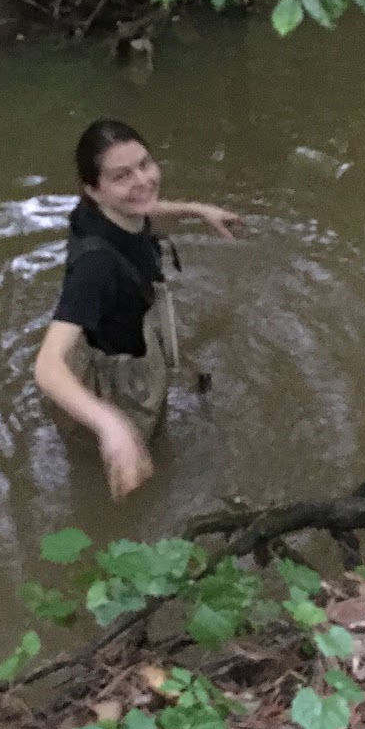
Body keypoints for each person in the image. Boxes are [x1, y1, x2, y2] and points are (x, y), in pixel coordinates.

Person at [34, 120, 240, 499]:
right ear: (93, 189)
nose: (143, 181)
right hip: (114, 380)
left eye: (145, 164)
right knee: (137, 475)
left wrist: (197, 210)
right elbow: (47, 366)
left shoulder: (111, 211)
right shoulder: (96, 266)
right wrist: (112, 427)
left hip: (130, 341)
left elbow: (144, 208)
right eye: (122, 176)